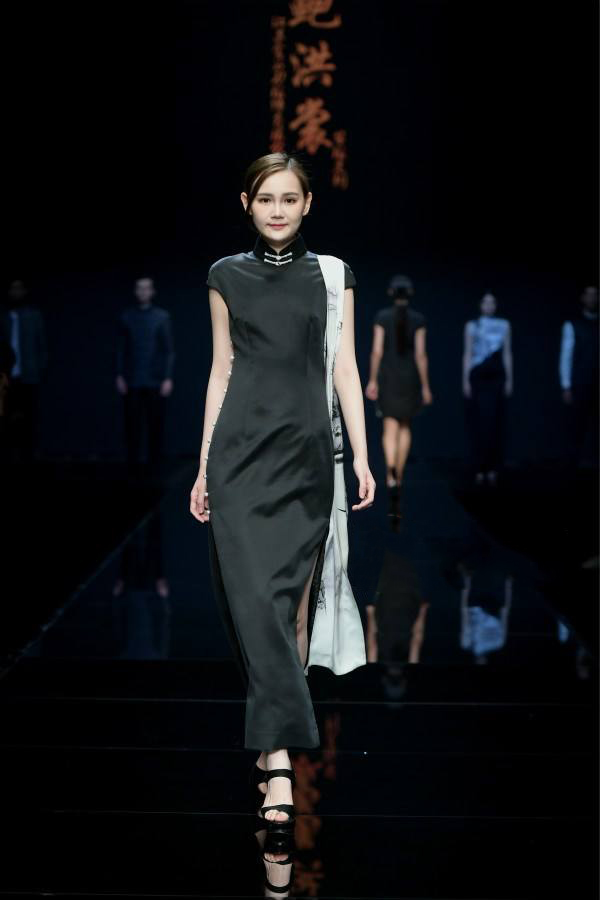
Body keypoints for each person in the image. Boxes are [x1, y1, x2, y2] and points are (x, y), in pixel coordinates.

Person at [189, 152, 375, 828]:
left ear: (307, 205)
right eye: (265, 198)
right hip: (239, 457)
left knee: (294, 611)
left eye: (289, 199)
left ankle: (275, 742)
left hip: (306, 458)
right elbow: (220, 371)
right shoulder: (225, 275)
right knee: (256, 608)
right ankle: (276, 759)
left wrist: (361, 455)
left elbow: (346, 369)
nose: (277, 210)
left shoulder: (333, 276)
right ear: (246, 204)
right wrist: (203, 466)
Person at [365, 275, 432, 508]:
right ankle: (398, 476)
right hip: (409, 378)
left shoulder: (382, 317)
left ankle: (390, 474)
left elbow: (376, 351)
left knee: (389, 428)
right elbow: (421, 355)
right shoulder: (418, 319)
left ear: (391, 293)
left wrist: (372, 380)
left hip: (389, 377)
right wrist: (425, 386)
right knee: (405, 426)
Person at [115, 277, 175, 465]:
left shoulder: (161, 317)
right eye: (140, 288)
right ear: (135, 291)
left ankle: (154, 463)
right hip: (132, 378)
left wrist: (167, 377)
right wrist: (119, 375)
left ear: (152, 292)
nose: (143, 292)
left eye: (146, 288)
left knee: (155, 424)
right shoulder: (127, 316)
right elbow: (121, 348)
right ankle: (133, 463)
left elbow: (168, 350)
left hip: (155, 379)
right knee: (132, 424)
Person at [462, 293, 513, 485]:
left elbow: (507, 353)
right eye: (486, 302)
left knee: (495, 424)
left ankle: (493, 468)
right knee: (479, 424)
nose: (489, 305)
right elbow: (467, 353)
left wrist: (509, 379)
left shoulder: (504, 325)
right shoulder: (472, 326)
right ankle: (479, 467)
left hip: (496, 378)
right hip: (478, 377)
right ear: (480, 304)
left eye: (493, 302)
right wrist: (465, 381)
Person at [0, 280, 48, 461]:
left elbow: (41, 345)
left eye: (19, 288)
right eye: (13, 288)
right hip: (6, 377)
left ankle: (29, 456)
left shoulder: (34, 316)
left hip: (29, 375)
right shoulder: (3, 316)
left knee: (29, 419)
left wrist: (39, 369)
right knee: (5, 418)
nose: (16, 292)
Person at [559, 285, 599, 467]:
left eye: (595, 295)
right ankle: (575, 463)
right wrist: (566, 384)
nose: (592, 298)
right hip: (580, 382)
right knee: (577, 424)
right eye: (589, 295)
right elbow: (566, 356)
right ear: (583, 298)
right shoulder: (573, 325)